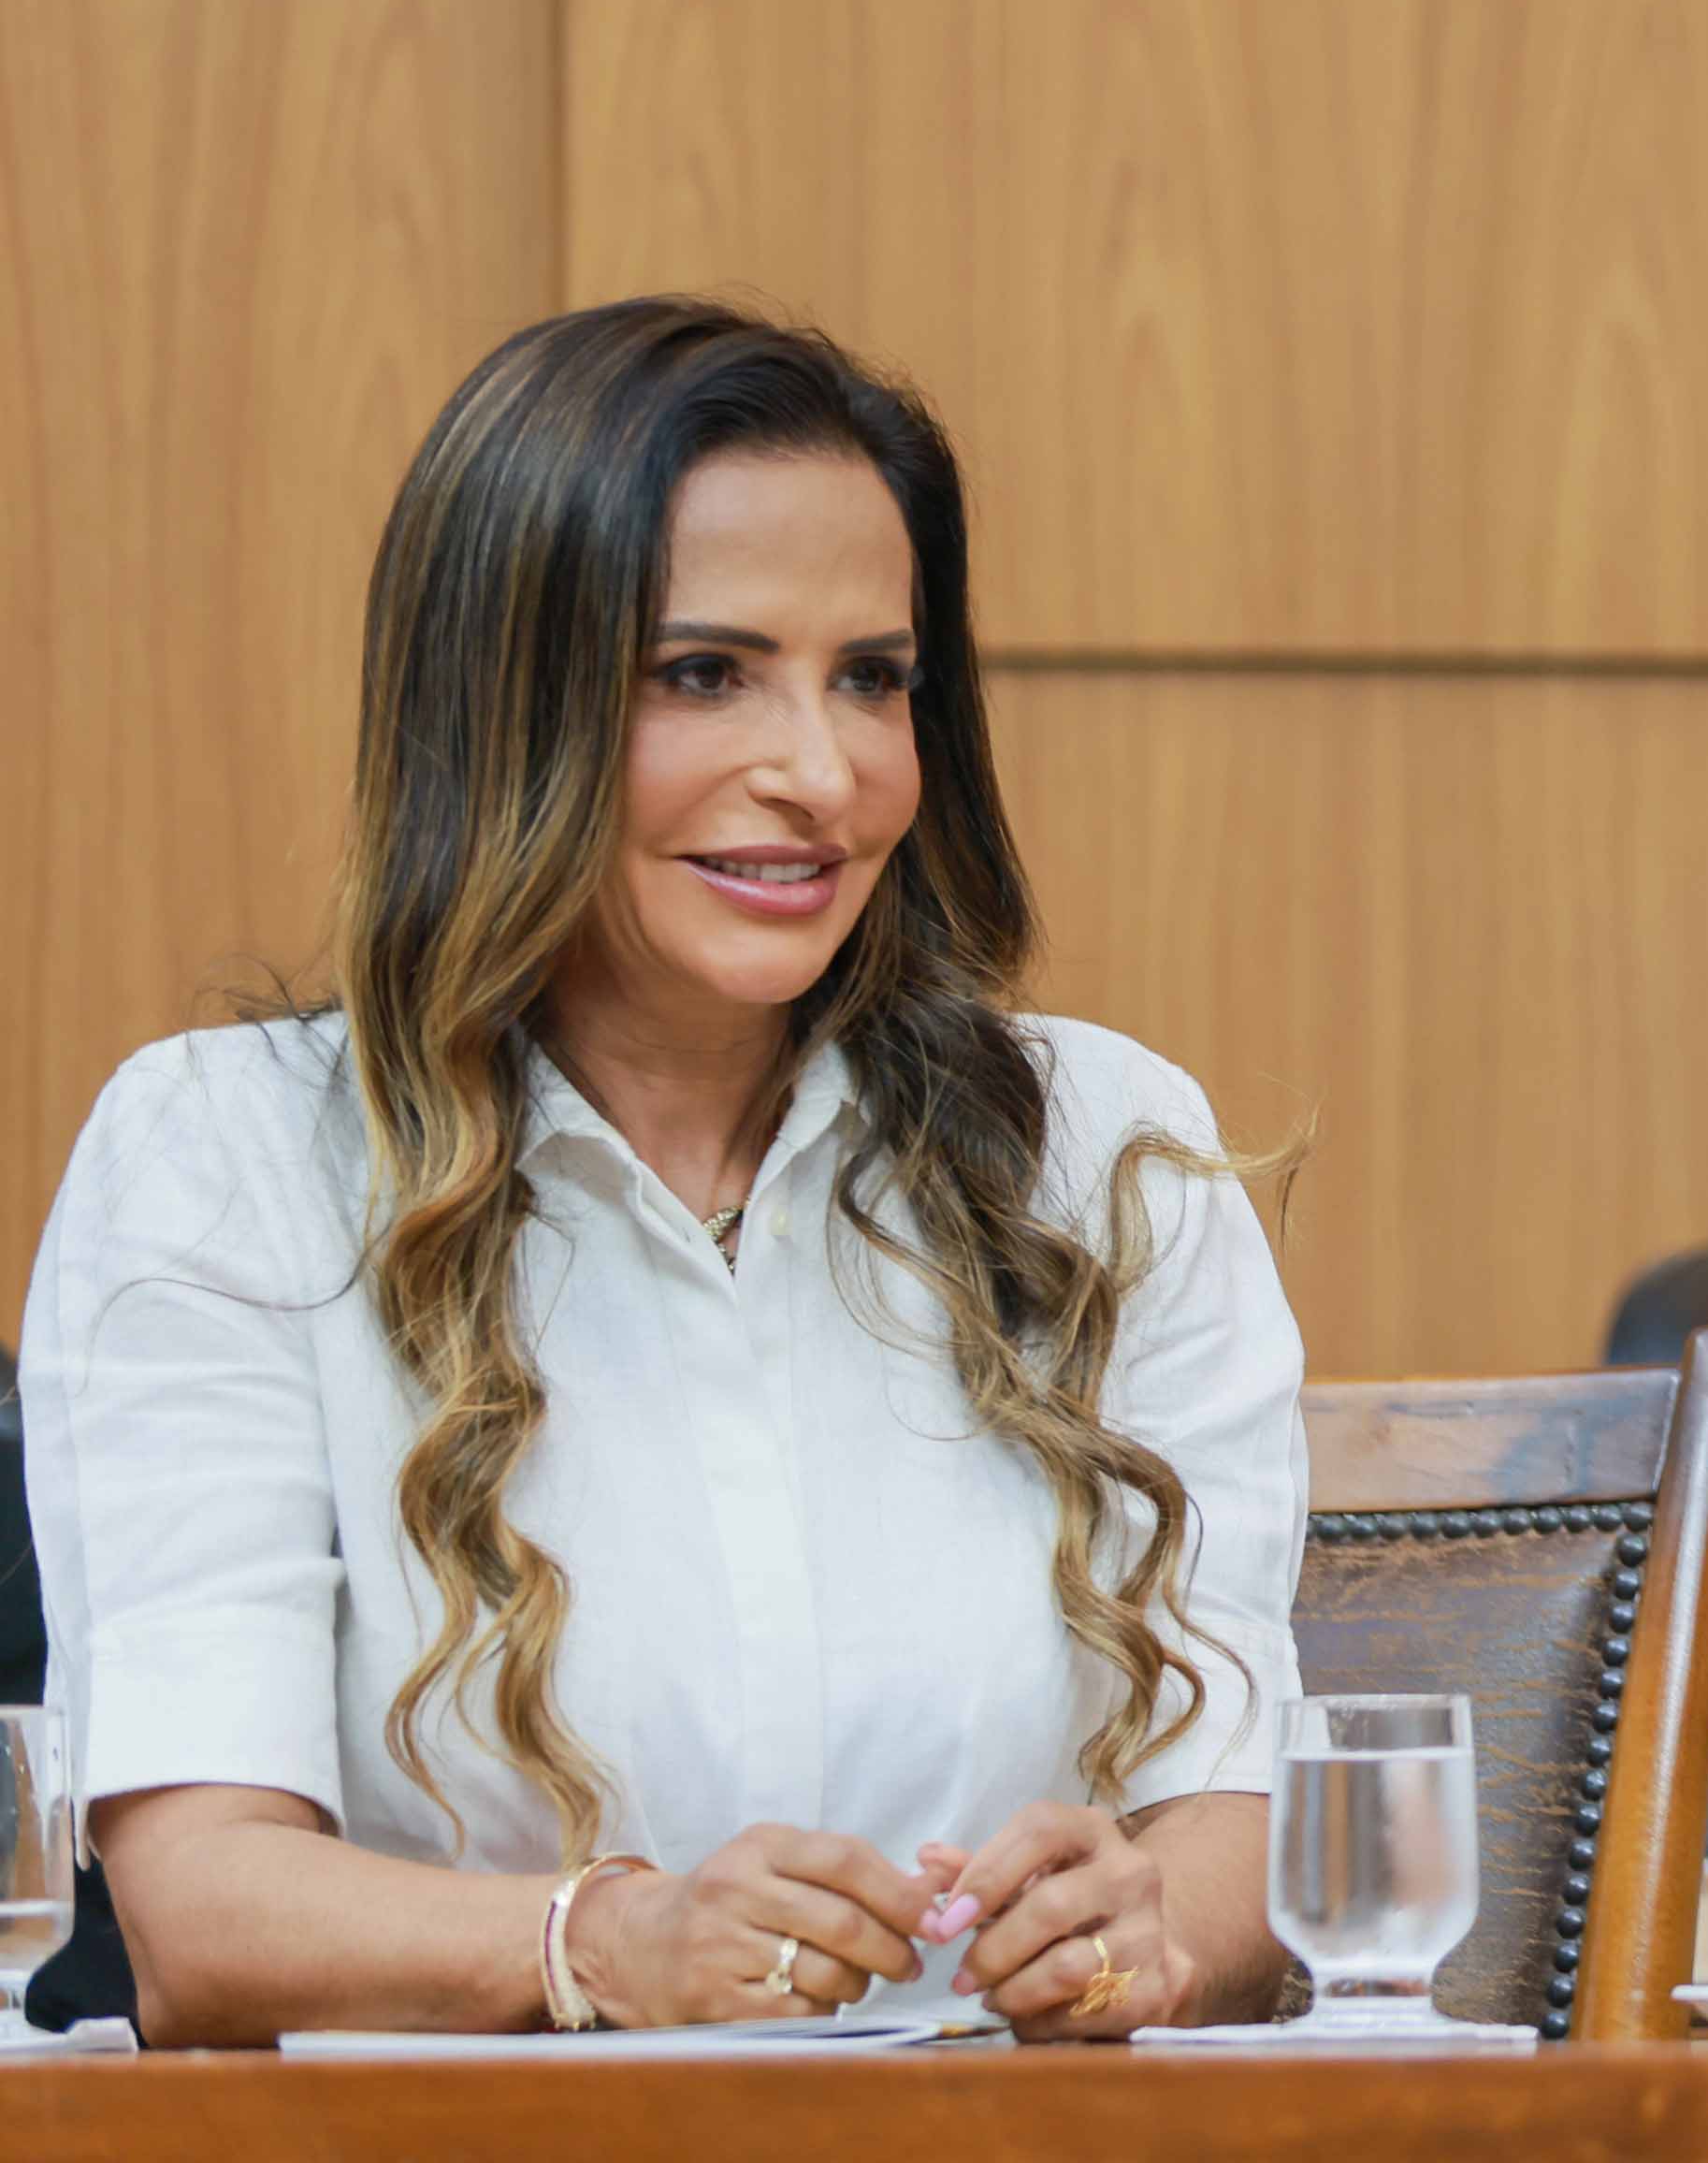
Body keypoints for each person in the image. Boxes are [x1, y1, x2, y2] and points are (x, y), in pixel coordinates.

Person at [22, 299, 1309, 2046]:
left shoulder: (1104, 1151)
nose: (822, 773)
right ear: (503, 710)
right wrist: (599, 1946)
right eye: (705, 674)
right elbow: (201, 1910)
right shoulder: (227, 1160)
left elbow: (1231, 1831)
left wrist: (1152, 1931)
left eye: (875, 677)